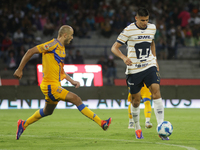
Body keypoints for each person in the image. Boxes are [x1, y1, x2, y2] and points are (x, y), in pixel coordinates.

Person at [14, 25, 112, 140]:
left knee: (47, 111)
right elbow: (31, 51)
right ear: (65, 35)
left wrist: (72, 81)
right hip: (50, 85)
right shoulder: (52, 45)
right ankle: (102, 123)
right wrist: (19, 69)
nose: (72, 38)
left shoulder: (62, 49)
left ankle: (23, 124)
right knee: (76, 99)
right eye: (71, 35)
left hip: (55, 85)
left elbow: (61, 71)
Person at [111, 8, 167, 140]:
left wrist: (155, 59)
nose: (145, 23)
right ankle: (137, 127)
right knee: (136, 101)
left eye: (147, 20)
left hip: (149, 65)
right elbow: (114, 47)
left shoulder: (152, 28)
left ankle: (161, 127)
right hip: (134, 70)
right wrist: (124, 58)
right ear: (136, 18)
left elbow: (151, 42)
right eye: (142, 20)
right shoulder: (128, 30)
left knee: (156, 91)